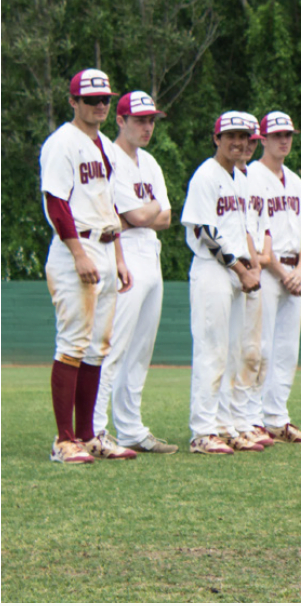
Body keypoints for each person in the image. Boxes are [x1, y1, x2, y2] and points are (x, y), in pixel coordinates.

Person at [41, 69, 134, 463]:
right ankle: (64, 441)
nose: (99, 105)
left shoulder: (106, 148)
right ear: (73, 101)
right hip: (74, 248)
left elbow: (109, 203)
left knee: (97, 347)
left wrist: (119, 256)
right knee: (73, 344)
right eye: (91, 99)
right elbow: (56, 202)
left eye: (104, 99)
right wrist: (78, 253)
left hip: (105, 246)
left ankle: (87, 435)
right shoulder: (62, 142)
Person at [90, 91, 175, 455]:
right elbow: (142, 217)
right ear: (120, 121)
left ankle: (130, 428)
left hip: (150, 251)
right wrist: (147, 210)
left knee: (140, 349)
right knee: (113, 346)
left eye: (151, 120)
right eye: (139, 120)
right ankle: (95, 428)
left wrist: (144, 212)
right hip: (121, 251)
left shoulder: (150, 161)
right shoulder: (108, 156)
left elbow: (166, 217)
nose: (147, 126)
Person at [182, 111, 261, 455]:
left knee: (232, 353)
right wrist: (240, 269)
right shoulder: (206, 175)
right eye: (230, 135)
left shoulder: (240, 178)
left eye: (243, 136)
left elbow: (242, 228)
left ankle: (225, 426)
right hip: (213, 271)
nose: (238, 141)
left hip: (237, 271)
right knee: (211, 351)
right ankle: (202, 430)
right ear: (216, 138)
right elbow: (204, 231)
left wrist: (252, 264)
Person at [247, 111, 301, 444]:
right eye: (277, 135)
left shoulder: (294, 180)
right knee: (260, 347)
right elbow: (257, 230)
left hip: (293, 271)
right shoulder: (252, 176)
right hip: (267, 270)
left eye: (288, 134)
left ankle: (277, 418)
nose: (284, 140)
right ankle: (251, 418)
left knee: (288, 350)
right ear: (262, 138)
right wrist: (282, 270)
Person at [224, 112, 271, 451]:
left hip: (253, 270)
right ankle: (229, 422)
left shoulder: (250, 179)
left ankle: (245, 420)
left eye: (252, 139)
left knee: (254, 352)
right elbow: (238, 232)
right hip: (238, 269)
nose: (248, 145)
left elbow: (261, 228)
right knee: (234, 351)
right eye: (244, 139)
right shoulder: (231, 176)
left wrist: (259, 262)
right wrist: (251, 265)